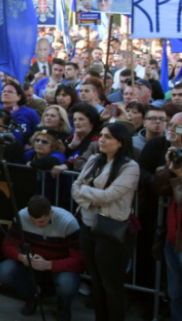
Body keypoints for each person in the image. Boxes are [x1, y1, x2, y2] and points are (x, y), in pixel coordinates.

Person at [72, 122, 140, 321]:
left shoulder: (130, 167)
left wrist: (86, 193)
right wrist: (90, 194)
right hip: (87, 225)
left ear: (120, 142)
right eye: (101, 135)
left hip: (112, 229)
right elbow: (75, 187)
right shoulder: (93, 159)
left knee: (111, 285)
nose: (101, 140)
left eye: (108, 137)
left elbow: (110, 195)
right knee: (96, 281)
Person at [0, 195, 84, 320]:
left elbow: (80, 261)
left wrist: (50, 264)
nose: (37, 225)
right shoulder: (21, 217)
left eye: (42, 221)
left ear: (51, 213)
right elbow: (7, 246)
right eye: (33, 221)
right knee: (3, 271)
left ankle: (64, 305)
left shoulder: (68, 223)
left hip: (60, 266)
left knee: (67, 283)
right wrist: (20, 256)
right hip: (32, 263)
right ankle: (32, 296)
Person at [153, 148, 182, 321]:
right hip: (172, 240)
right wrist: (169, 166)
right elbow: (159, 187)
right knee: (175, 293)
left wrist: (179, 175)